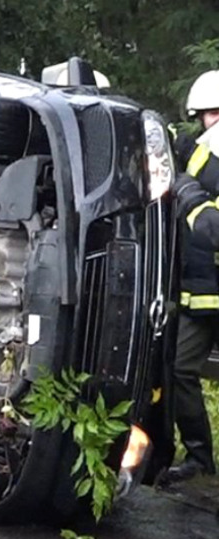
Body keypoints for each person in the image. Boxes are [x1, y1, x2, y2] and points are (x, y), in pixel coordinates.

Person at [160, 71, 219, 485]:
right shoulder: (203, 151)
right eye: (206, 115)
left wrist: (191, 199)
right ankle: (201, 461)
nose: (209, 122)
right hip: (201, 293)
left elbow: (210, 225)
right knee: (181, 369)